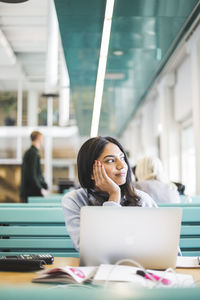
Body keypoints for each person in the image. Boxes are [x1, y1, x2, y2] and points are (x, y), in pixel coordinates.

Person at [62, 136, 156, 251]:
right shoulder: (75, 200)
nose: (122, 166)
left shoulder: (142, 198)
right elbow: (89, 249)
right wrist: (114, 195)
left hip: (141, 266)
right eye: (110, 160)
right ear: (91, 172)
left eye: (122, 158)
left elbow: (170, 249)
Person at [20, 131, 48, 202]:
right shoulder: (33, 153)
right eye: (42, 138)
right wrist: (40, 189)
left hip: (28, 191)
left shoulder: (30, 152)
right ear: (38, 138)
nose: (43, 140)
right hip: (32, 193)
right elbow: (32, 174)